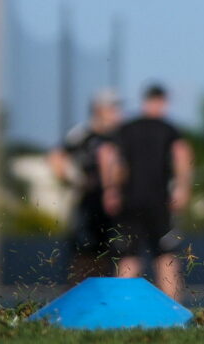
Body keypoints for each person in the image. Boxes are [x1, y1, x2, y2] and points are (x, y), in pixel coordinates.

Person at [111, 83, 192, 297]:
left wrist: (113, 190)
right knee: (166, 255)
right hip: (159, 201)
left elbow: (116, 164)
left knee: (129, 256)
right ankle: (173, 310)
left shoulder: (127, 129)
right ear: (162, 101)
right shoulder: (168, 129)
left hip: (131, 200)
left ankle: (121, 307)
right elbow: (181, 155)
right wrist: (182, 187)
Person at [50, 91, 125, 281]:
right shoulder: (82, 133)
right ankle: (78, 299)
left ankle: (108, 300)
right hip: (88, 201)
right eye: (112, 108)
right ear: (99, 109)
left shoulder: (121, 135)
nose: (117, 112)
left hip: (115, 203)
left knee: (114, 254)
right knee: (84, 254)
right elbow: (56, 158)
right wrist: (76, 180)